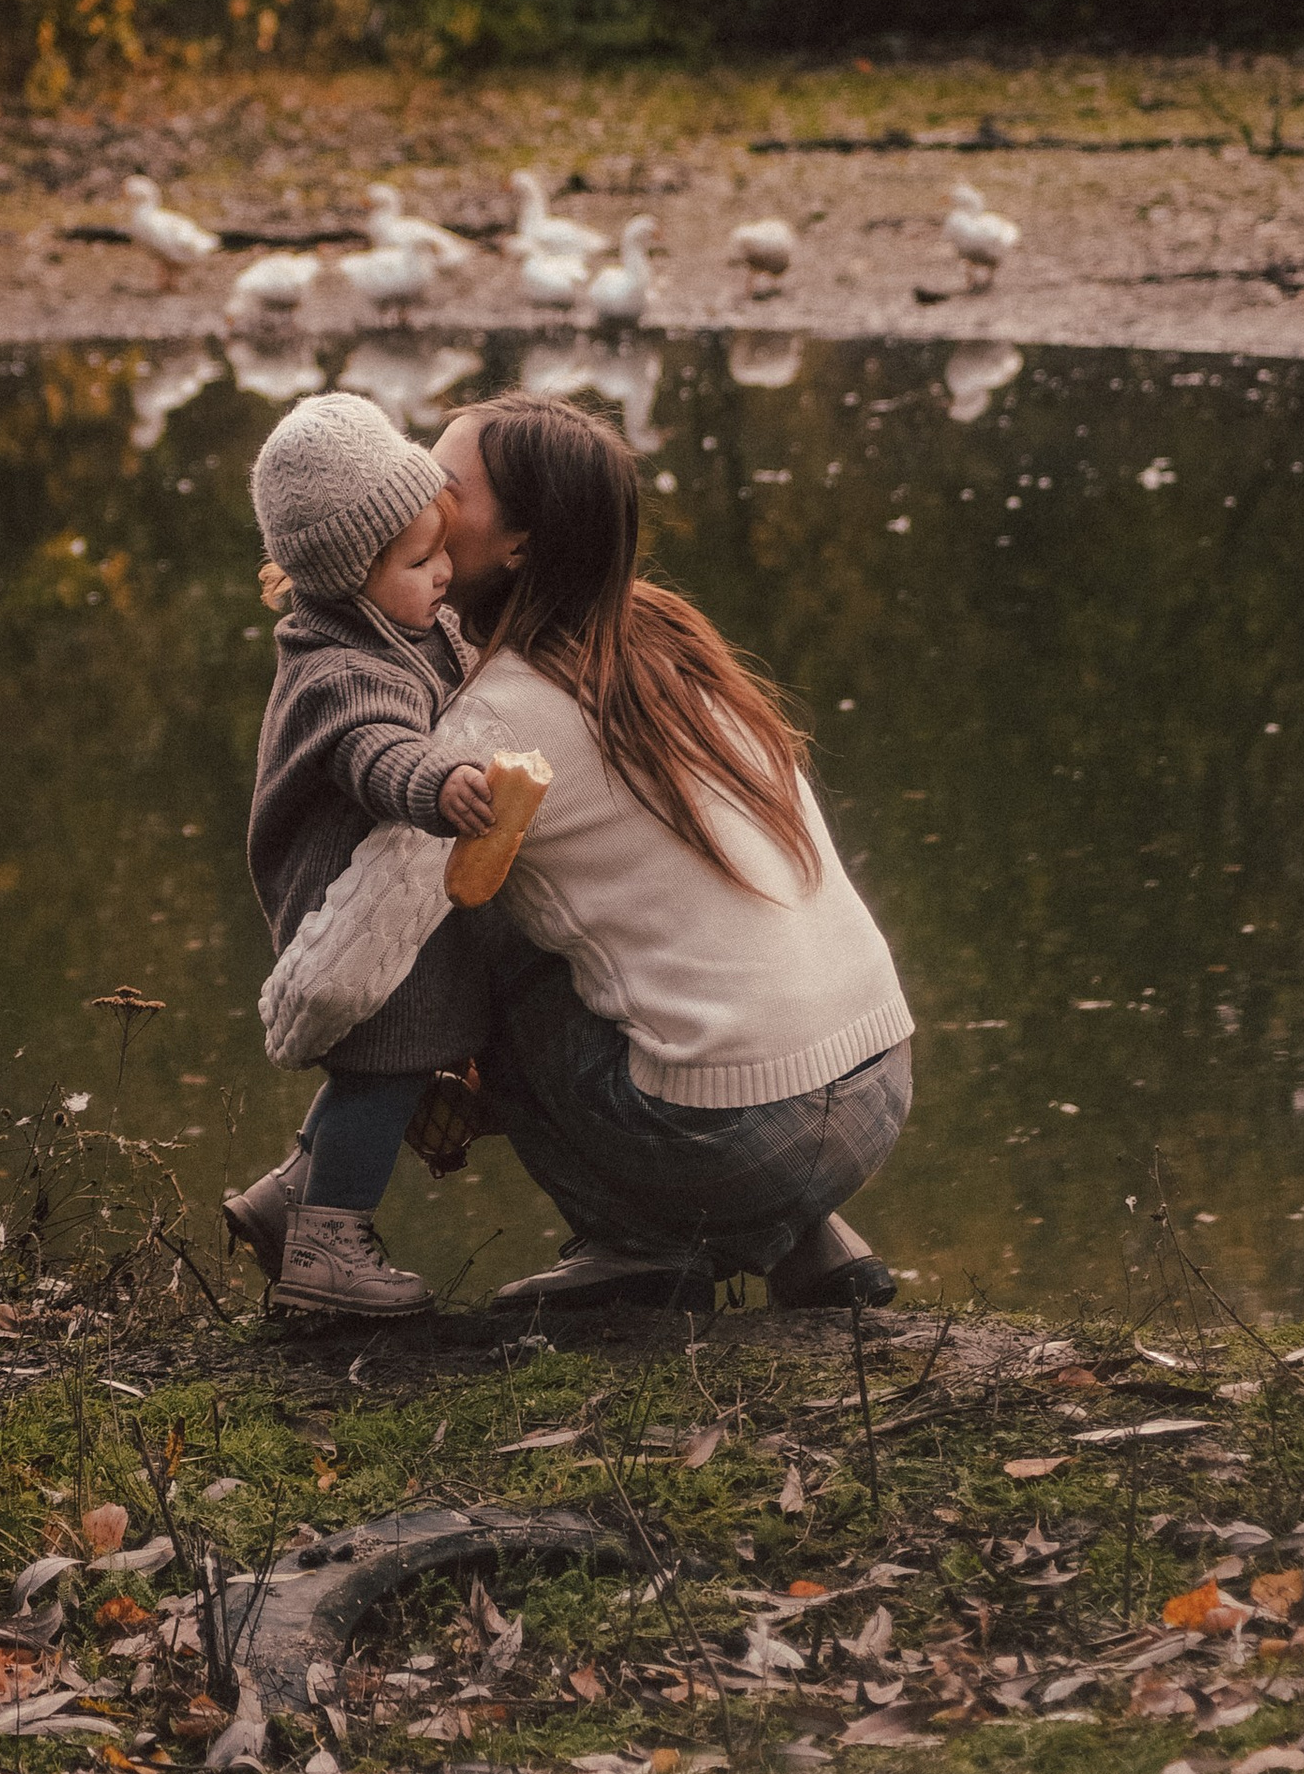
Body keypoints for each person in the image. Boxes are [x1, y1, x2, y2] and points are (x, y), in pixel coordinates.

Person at [261, 391, 911, 1314]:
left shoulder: (495, 723)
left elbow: (358, 960)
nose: (420, 499)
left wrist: (302, 1050)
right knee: (654, 947)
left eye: (444, 484)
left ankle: (641, 1245)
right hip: (878, 1086)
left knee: (469, 933)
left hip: (734, 1139)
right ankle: (801, 1235)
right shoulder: (663, 639)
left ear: (520, 544)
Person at [227, 392, 498, 1320]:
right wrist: (441, 785)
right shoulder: (338, 664)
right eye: (420, 561)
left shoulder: (406, 622)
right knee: (383, 1062)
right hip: (344, 896)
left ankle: (284, 1198)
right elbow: (377, 747)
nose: (444, 574)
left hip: (388, 889)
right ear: (348, 574)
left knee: (385, 1054)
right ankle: (328, 1247)